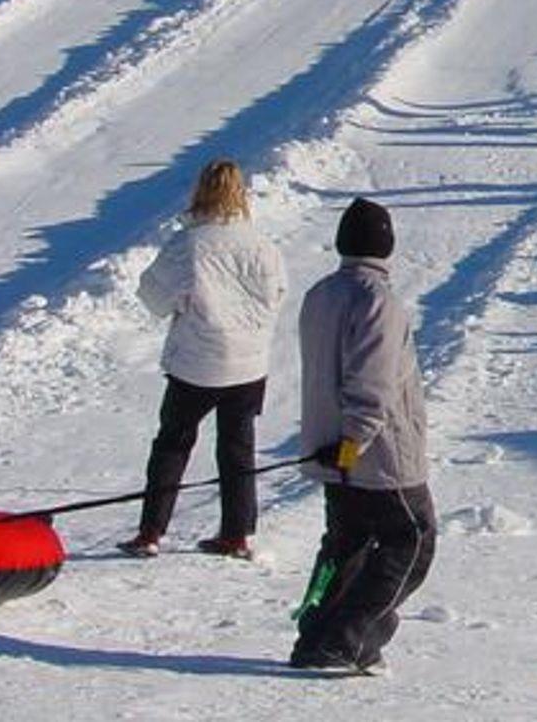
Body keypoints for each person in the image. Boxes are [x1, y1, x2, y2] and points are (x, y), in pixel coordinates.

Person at [290, 197, 436, 675]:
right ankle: (348, 641)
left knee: (345, 546)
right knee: (411, 541)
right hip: (376, 455)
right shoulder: (379, 302)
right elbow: (372, 385)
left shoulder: (321, 293)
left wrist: (339, 445)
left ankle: (316, 638)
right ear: (386, 246)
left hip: (334, 451)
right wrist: (353, 441)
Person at [120, 160, 288, 559]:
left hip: (197, 363)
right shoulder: (263, 245)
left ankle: (151, 532)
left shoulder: (188, 244)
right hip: (248, 365)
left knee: (173, 443)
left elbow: (154, 297)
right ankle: (236, 534)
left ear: (200, 191)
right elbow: (278, 295)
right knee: (237, 448)